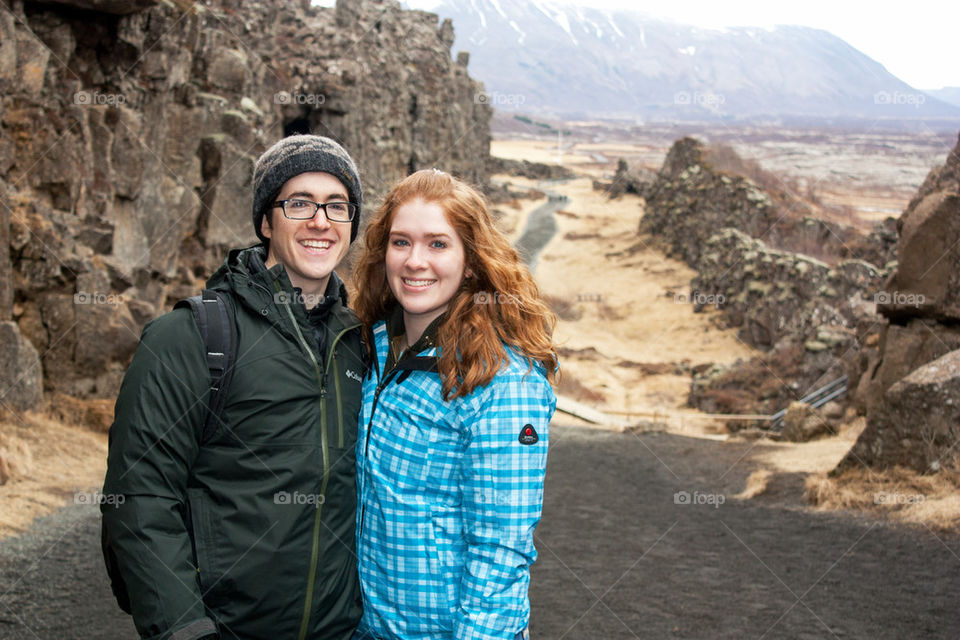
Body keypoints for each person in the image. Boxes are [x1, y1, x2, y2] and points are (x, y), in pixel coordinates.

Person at [101, 135, 367, 640]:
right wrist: (186, 630)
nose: (320, 221)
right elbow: (139, 495)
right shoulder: (192, 336)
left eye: (337, 205)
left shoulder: (360, 344)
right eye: (299, 203)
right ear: (266, 222)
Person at [351, 169, 559, 640]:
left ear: (470, 261)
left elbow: (501, 550)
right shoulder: (374, 345)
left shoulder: (501, 379)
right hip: (364, 628)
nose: (415, 261)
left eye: (438, 244)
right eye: (400, 242)